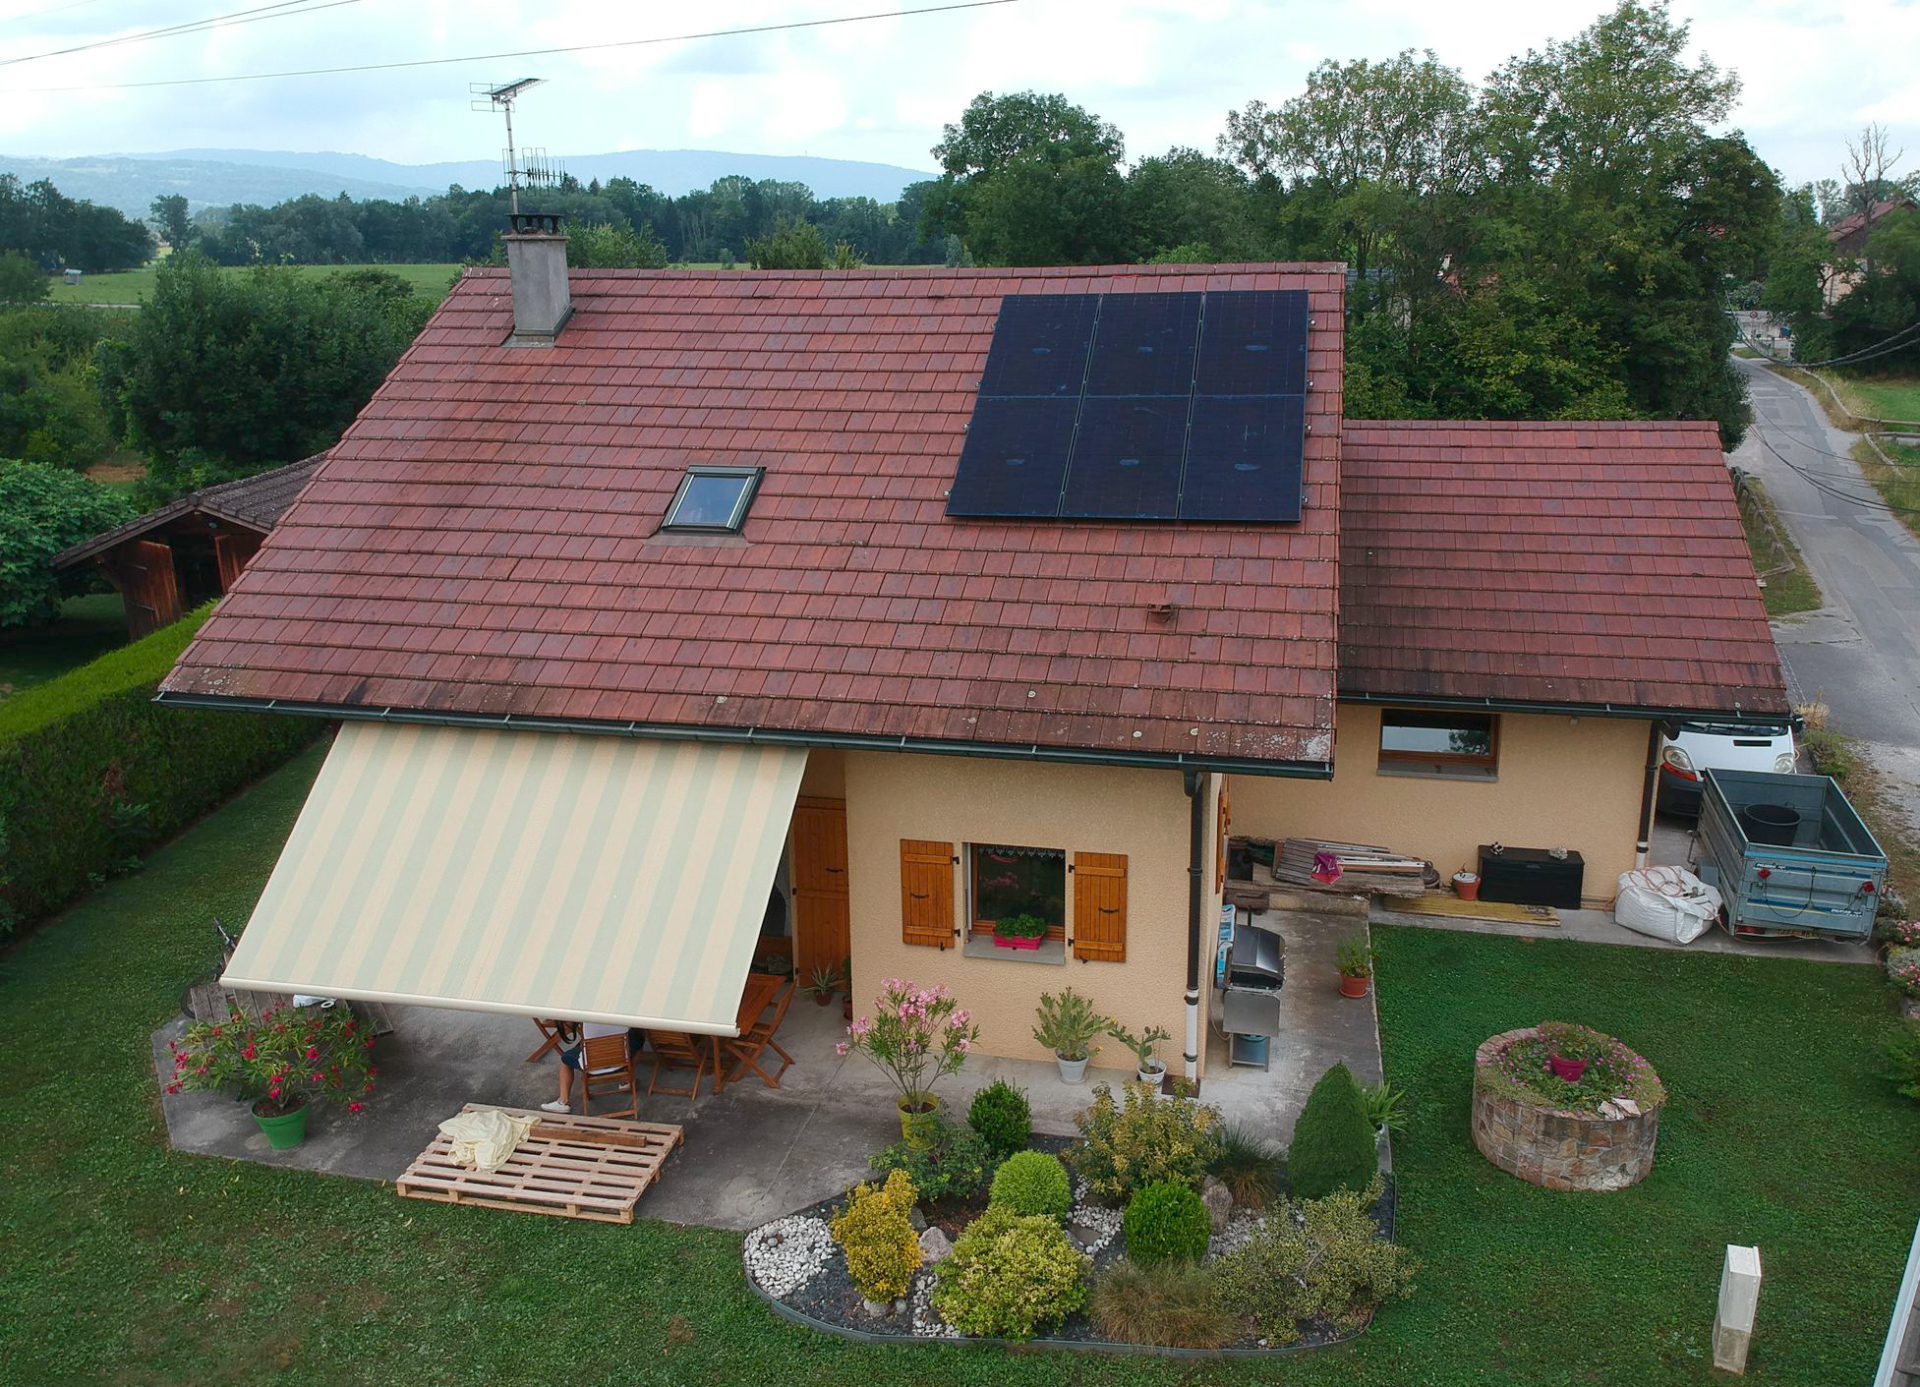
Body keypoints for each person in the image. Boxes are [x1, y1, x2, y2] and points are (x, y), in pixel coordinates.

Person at [542, 1021, 644, 1114]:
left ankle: (563, 1101)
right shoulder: (621, 1014)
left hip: (591, 1066)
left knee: (565, 1060)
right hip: (620, 1062)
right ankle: (626, 1079)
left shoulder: (585, 1015)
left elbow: (568, 1024)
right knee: (639, 1038)